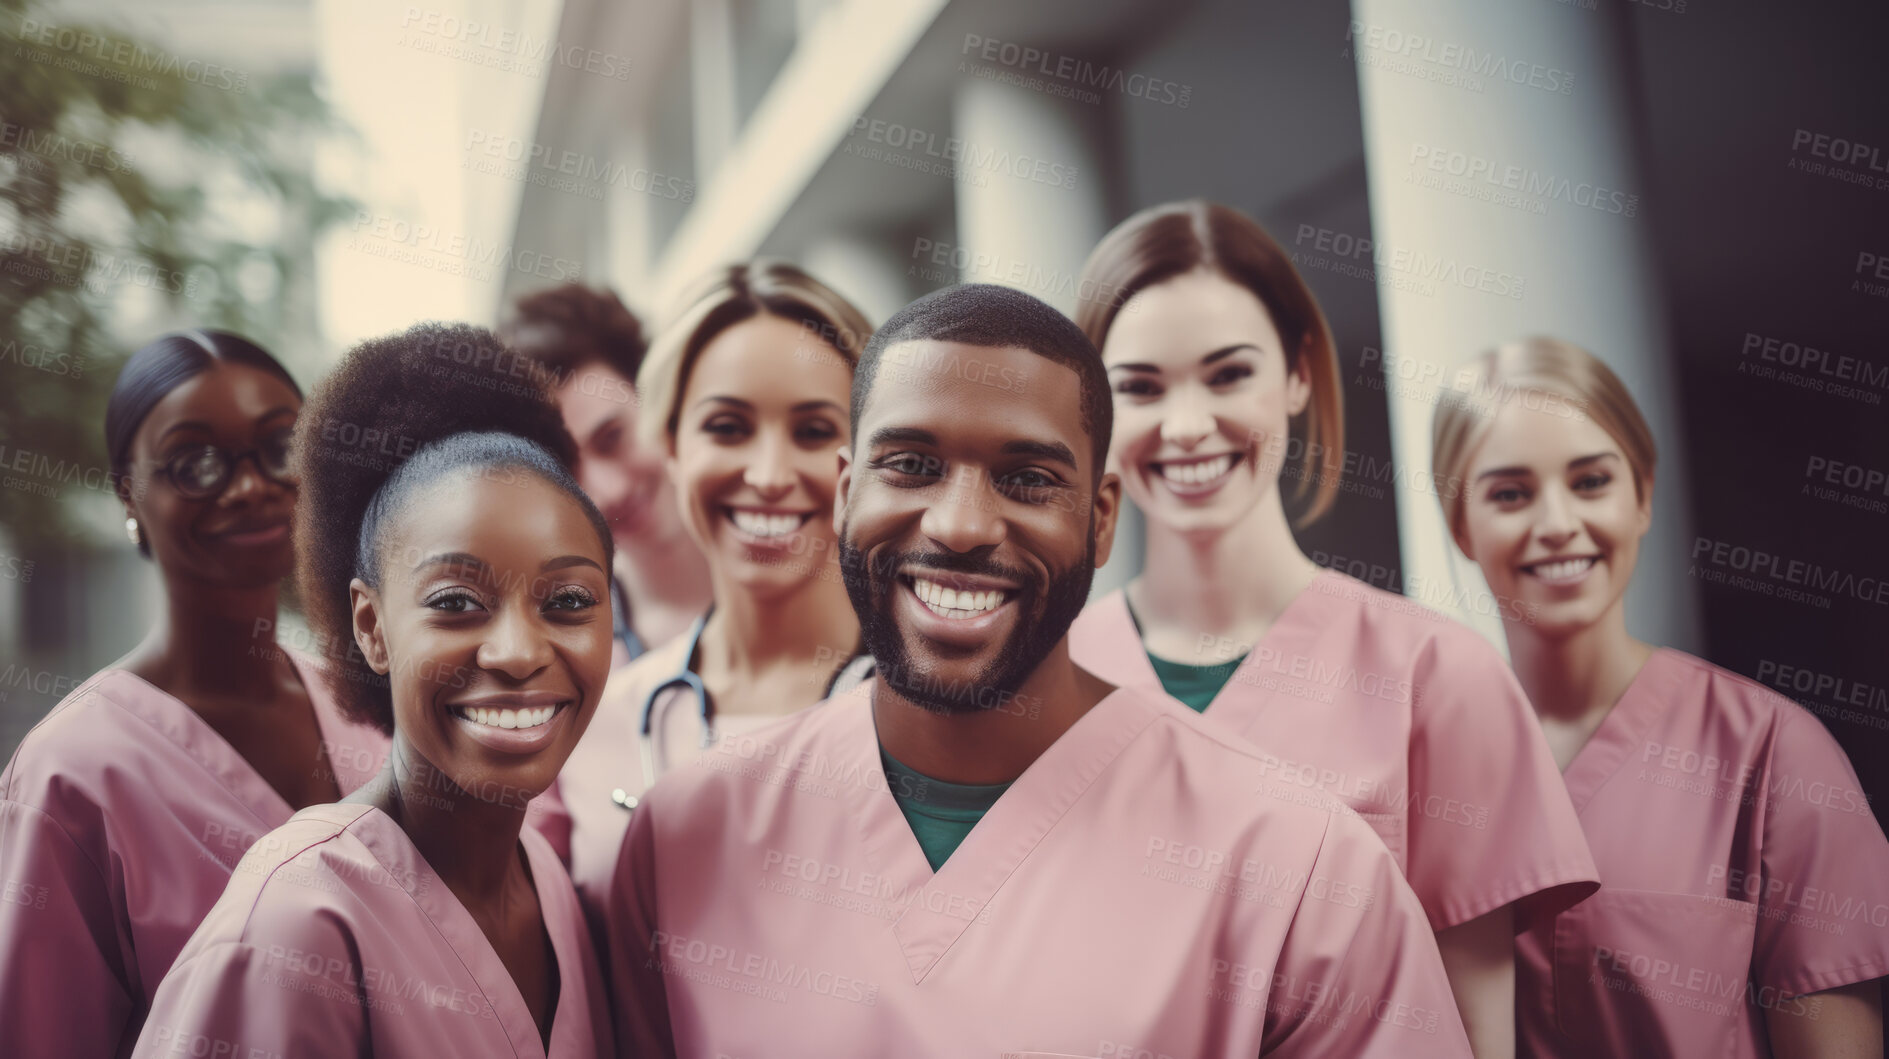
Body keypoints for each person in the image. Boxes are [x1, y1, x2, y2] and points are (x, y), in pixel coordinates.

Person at [606, 283, 1474, 1057]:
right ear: (843, 493)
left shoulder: (1299, 868)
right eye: (910, 464)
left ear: (1100, 519)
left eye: (1026, 478)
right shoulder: (687, 836)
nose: (958, 524)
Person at [1063, 200, 1597, 1056]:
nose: (1188, 423)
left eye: (1228, 373)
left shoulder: (1437, 675)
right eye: (1139, 387)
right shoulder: (1041, 682)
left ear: (1298, 375)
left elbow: (1472, 1034)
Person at [132, 323, 616, 1057]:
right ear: (371, 626)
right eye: (455, 601)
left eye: (569, 600)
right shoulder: (296, 923)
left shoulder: (547, 883)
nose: (518, 653)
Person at [1432, 336, 1889, 1058]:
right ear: (1461, 524)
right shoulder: (1422, 766)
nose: (1556, 523)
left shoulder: (1773, 753)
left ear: (1641, 495)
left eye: (1589, 481)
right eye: (1510, 492)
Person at [0, 330, 390, 1058]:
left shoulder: (364, 704)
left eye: (279, 446)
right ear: (128, 492)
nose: (248, 485)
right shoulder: (68, 772)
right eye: (195, 462)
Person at [543, 261, 873, 919]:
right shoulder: (587, 727)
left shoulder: (955, 713)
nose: (770, 474)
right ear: (670, 444)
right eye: (726, 427)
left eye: (813, 431)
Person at [498, 283, 711, 665]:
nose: (607, 493)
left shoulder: (812, 550)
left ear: (658, 395)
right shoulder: (574, 660)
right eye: (567, 475)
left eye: (612, 438)